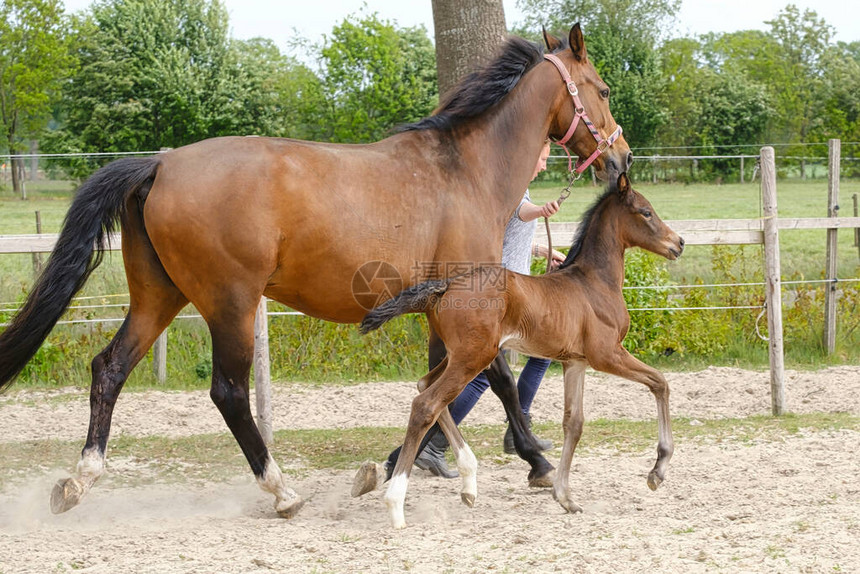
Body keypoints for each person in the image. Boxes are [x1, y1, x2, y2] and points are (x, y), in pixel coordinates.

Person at [412, 140, 566, 478]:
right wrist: (541, 211)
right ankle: (435, 446)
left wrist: (540, 251)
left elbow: (512, 229)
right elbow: (521, 212)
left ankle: (517, 426)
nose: (543, 166)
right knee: (484, 377)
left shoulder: (515, 185)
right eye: (541, 158)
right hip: (505, 293)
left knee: (539, 354)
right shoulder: (512, 188)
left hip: (515, 288)